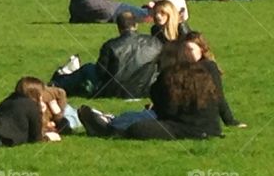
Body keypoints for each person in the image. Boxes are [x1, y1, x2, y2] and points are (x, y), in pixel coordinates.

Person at [79, 36, 240, 140]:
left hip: (185, 129)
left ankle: (108, 129)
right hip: (210, 128)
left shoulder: (168, 77)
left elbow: (165, 112)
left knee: (139, 128)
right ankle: (109, 122)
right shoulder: (203, 73)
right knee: (141, 117)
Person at [50, 12, 161, 98]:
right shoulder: (154, 42)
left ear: (118, 27)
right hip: (144, 89)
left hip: (114, 89)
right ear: (136, 25)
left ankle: (58, 83)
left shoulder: (111, 46)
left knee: (87, 68)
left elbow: (101, 72)